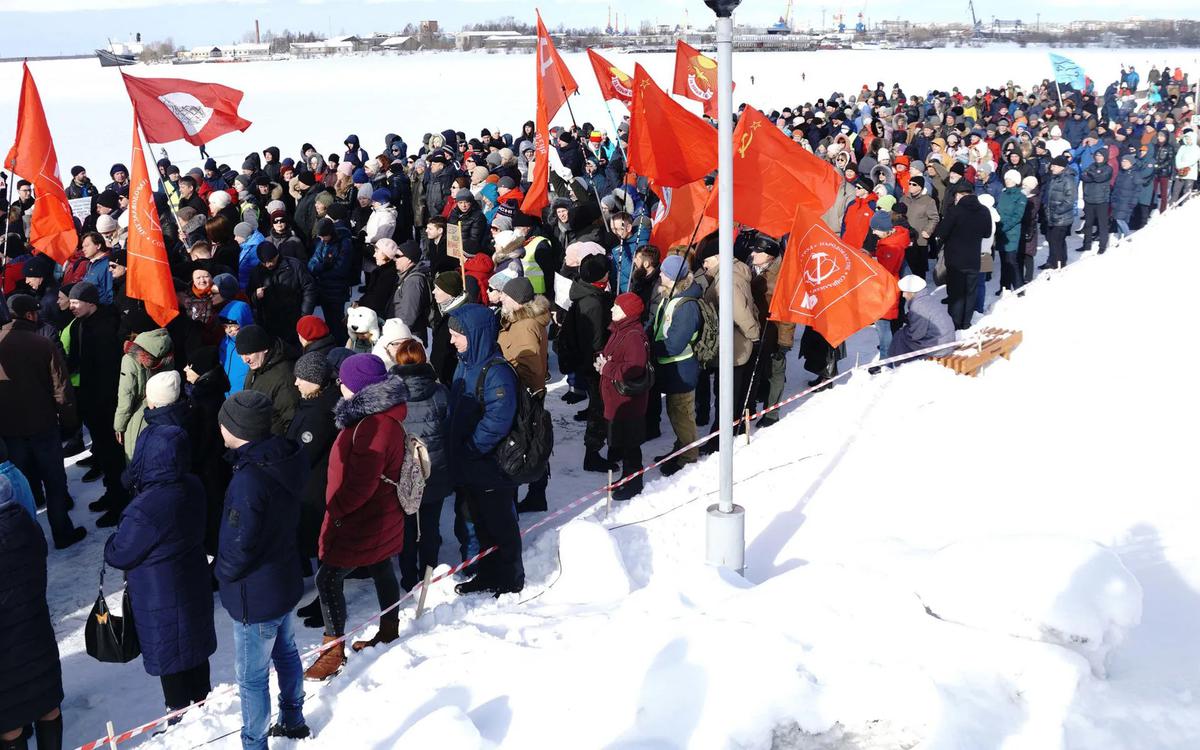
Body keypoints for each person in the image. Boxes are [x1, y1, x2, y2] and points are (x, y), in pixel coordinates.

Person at [304, 355, 409, 681]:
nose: (339, 384)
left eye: (345, 380)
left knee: (327, 578)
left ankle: (333, 652)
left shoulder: (371, 426)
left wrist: (337, 511)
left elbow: (361, 483)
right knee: (380, 566)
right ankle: (390, 628)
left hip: (362, 518)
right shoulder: (380, 416)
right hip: (380, 512)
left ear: (360, 387)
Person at [216, 390, 311, 747]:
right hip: (282, 578)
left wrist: (222, 572)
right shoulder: (282, 456)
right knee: (285, 651)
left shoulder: (248, 480)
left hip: (255, 594)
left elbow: (240, 543)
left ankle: (254, 743)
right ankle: (293, 718)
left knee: (252, 677)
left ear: (236, 428)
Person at [103, 422, 216, 717]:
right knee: (194, 650)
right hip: (191, 581)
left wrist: (112, 540)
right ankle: (204, 708)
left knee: (170, 657)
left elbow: (120, 553)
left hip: (159, 597)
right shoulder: (192, 484)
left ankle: (176, 714)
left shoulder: (146, 509)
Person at [445, 304, 523, 596]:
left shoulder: (497, 372)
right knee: (480, 522)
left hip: (491, 465)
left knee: (500, 523)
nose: (452, 341)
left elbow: (498, 420)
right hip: (470, 464)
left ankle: (511, 577)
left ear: (475, 335)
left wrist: (471, 447)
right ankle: (487, 573)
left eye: (457, 335)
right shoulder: (464, 363)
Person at [0, 296, 85, 548]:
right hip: (43, 426)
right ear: (29, 315)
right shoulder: (41, 343)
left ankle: (31, 540)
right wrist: (70, 421)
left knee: (22, 484)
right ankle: (62, 532)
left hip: (10, 431)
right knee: (55, 481)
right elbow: (61, 389)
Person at [0, 474, 66, 750]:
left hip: (6, 649)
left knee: (10, 723)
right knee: (47, 705)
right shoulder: (28, 525)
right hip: (37, 633)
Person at [389, 339, 451, 591]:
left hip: (403, 472)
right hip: (434, 469)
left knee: (405, 527)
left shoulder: (391, 395)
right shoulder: (439, 393)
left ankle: (407, 577)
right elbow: (449, 427)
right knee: (430, 526)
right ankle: (429, 575)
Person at [285, 351, 340, 628]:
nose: (295, 383)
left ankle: (327, 605)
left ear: (315, 381)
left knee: (324, 553)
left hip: (317, 491)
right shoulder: (312, 403)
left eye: (301, 378)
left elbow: (306, 451)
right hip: (310, 488)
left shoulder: (321, 412)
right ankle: (322, 600)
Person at [67, 282, 129, 522]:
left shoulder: (105, 328)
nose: (71, 306)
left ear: (91, 303)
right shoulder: (79, 325)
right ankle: (111, 493)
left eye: (75, 302)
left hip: (107, 403)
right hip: (91, 400)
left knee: (113, 457)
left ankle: (119, 503)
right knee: (104, 454)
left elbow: (108, 371)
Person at [496, 277, 551, 513]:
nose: (501, 299)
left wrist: (518, 390)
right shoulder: (519, 321)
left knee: (525, 444)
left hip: (524, 396)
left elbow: (530, 366)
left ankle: (528, 495)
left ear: (517, 301)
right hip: (526, 394)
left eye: (505, 296)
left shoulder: (525, 326)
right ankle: (535, 493)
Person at [561, 254, 614, 472]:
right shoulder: (593, 303)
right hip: (595, 363)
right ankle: (592, 454)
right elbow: (595, 341)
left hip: (587, 361)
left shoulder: (586, 292)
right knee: (599, 408)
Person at [650, 255, 703, 476]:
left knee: (682, 414)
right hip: (671, 368)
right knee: (674, 412)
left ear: (673, 277)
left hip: (682, 368)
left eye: (664, 272)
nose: (659, 275)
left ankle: (689, 456)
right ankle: (679, 449)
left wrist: (650, 349)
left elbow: (675, 344)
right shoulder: (670, 296)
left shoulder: (686, 306)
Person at [596, 293, 650, 501]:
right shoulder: (620, 329)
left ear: (627, 312)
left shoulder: (633, 335)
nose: (611, 310)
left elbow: (634, 368)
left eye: (616, 307)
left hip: (628, 402)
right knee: (624, 442)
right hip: (617, 399)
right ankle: (627, 477)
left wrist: (607, 367)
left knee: (631, 445)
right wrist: (603, 361)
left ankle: (634, 482)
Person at [114, 326, 175, 462]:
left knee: (137, 459)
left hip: (139, 416)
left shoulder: (130, 358)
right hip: (166, 411)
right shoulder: (168, 347)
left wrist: (119, 425)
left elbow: (126, 395)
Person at [937, 185, 992, 330]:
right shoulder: (984, 210)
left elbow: (942, 232)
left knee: (956, 293)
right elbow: (987, 233)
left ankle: (955, 325)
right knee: (970, 292)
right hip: (973, 257)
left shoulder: (955, 211)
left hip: (955, 259)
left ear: (959, 195)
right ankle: (966, 323)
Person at [236, 325, 300, 436]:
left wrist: (276, 448)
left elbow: (291, 419)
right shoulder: (257, 366)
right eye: (241, 355)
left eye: (248, 353)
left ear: (264, 349)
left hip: (272, 444)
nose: (245, 360)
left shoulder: (284, 377)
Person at [888, 275, 956, 356]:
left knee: (900, 336)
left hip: (939, 348)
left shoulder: (917, 306)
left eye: (905, 292)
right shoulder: (927, 298)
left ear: (912, 292)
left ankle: (899, 364)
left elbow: (916, 335)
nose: (903, 295)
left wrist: (904, 329)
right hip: (947, 341)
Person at [1041, 155, 1078, 270]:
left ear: (1062, 167)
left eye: (1055, 166)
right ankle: (1054, 261)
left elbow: (1070, 200)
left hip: (1061, 217)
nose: (1052, 168)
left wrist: (1057, 211)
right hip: (1051, 215)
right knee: (1053, 240)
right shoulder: (1053, 177)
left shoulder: (1068, 179)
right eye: (1052, 165)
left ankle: (1058, 264)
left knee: (1056, 241)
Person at [996, 171, 1029, 291]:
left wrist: (1004, 227)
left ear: (1016, 181)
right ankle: (1004, 286)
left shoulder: (1021, 196)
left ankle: (1019, 287)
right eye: (1006, 179)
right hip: (1000, 231)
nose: (1007, 181)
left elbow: (1017, 216)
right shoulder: (1003, 193)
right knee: (1003, 261)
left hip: (1012, 232)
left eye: (1010, 179)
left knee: (1011, 260)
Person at [217, 301, 254, 398]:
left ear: (243, 321)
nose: (228, 330)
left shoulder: (253, 344)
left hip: (246, 398)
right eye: (225, 326)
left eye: (233, 326)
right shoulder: (225, 343)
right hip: (227, 396)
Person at [1080, 149, 1113, 255]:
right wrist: (1092, 175)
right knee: (1088, 223)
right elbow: (1083, 176)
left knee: (1102, 224)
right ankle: (1086, 244)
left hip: (1101, 200)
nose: (1098, 157)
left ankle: (1102, 246)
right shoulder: (1091, 166)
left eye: (1100, 155)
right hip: (1089, 198)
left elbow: (1100, 178)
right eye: (1097, 155)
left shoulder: (1108, 168)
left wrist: (1091, 174)